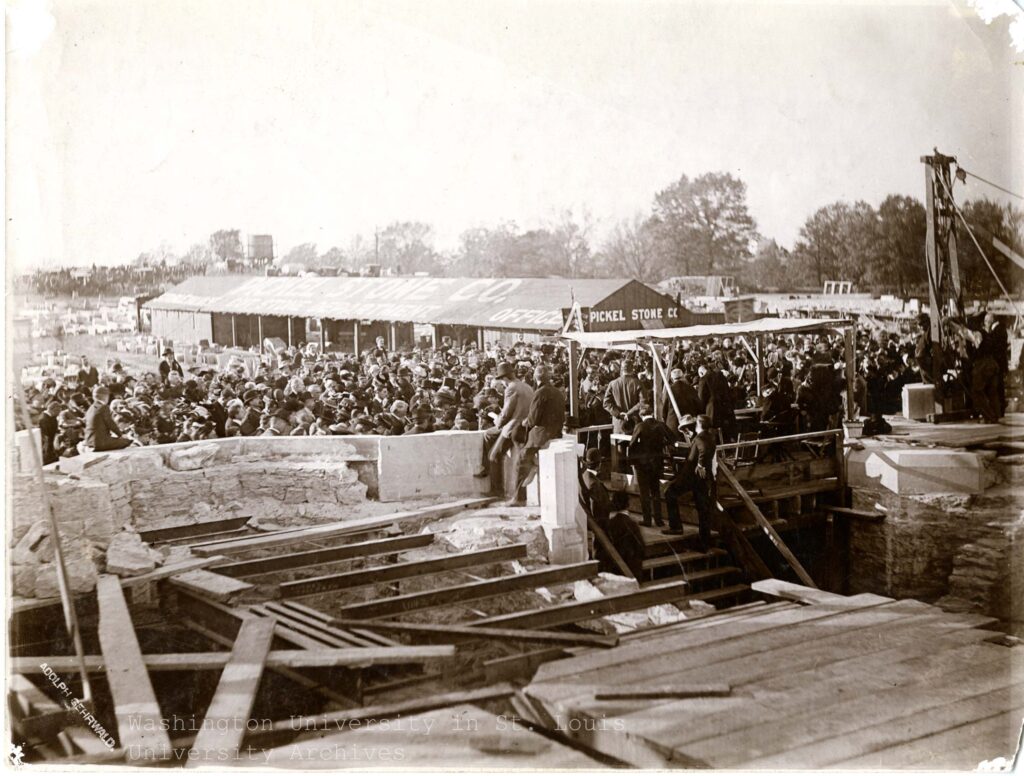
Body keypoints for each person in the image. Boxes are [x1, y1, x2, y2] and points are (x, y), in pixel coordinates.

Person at [509, 365, 565, 506]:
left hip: (541, 435)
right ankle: (534, 462)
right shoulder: (558, 393)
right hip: (556, 433)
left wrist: (523, 422)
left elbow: (533, 420)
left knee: (520, 461)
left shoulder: (540, 393)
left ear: (535, 377)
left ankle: (519, 499)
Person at [664, 414, 718, 547]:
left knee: (669, 493)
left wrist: (700, 464)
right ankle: (704, 541)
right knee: (703, 509)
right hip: (703, 480)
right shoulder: (709, 436)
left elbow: (703, 450)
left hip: (691, 478)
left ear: (699, 425)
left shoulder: (700, 438)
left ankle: (676, 527)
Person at [474, 362, 533, 478]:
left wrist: (497, 421)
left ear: (505, 378)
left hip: (514, 428)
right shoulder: (527, 387)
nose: (502, 382)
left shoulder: (511, 388)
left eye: (501, 380)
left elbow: (506, 414)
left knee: (489, 439)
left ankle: (487, 471)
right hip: (526, 426)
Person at [626, 394, 678, 528]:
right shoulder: (660, 425)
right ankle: (659, 520)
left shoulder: (640, 426)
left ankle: (647, 520)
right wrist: (662, 444)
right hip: (657, 463)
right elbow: (672, 439)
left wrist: (632, 461)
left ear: (642, 415)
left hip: (643, 464)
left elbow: (631, 445)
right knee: (655, 491)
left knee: (644, 493)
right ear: (652, 414)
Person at [84, 386, 132, 452]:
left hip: (89, 442)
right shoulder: (103, 407)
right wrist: (121, 435)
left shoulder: (90, 408)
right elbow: (110, 423)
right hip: (100, 443)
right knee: (127, 441)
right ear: (106, 397)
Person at [697, 361, 735, 441]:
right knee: (725, 433)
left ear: (701, 372)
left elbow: (701, 398)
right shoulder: (722, 377)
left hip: (713, 411)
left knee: (714, 435)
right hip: (726, 409)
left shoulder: (703, 379)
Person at [603, 361, 642, 435]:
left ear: (621, 369)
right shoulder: (638, 383)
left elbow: (606, 403)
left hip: (618, 424)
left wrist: (618, 414)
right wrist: (629, 413)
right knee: (635, 445)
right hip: (634, 423)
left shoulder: (613, 383)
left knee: (619, 445)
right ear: (632, 369)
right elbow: (642, 402)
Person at [580, 447, 613, 528]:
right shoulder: (595, 484)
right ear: (599, 464)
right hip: (599, 526)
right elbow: (597, 510)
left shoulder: (584, 476)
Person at [39, 400, 61, 465]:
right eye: (58, 411)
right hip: (46, 444)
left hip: (51, 443)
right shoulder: (44, 419)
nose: (59, 414)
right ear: (53, 410)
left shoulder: (52, 417)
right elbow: (45, 436)